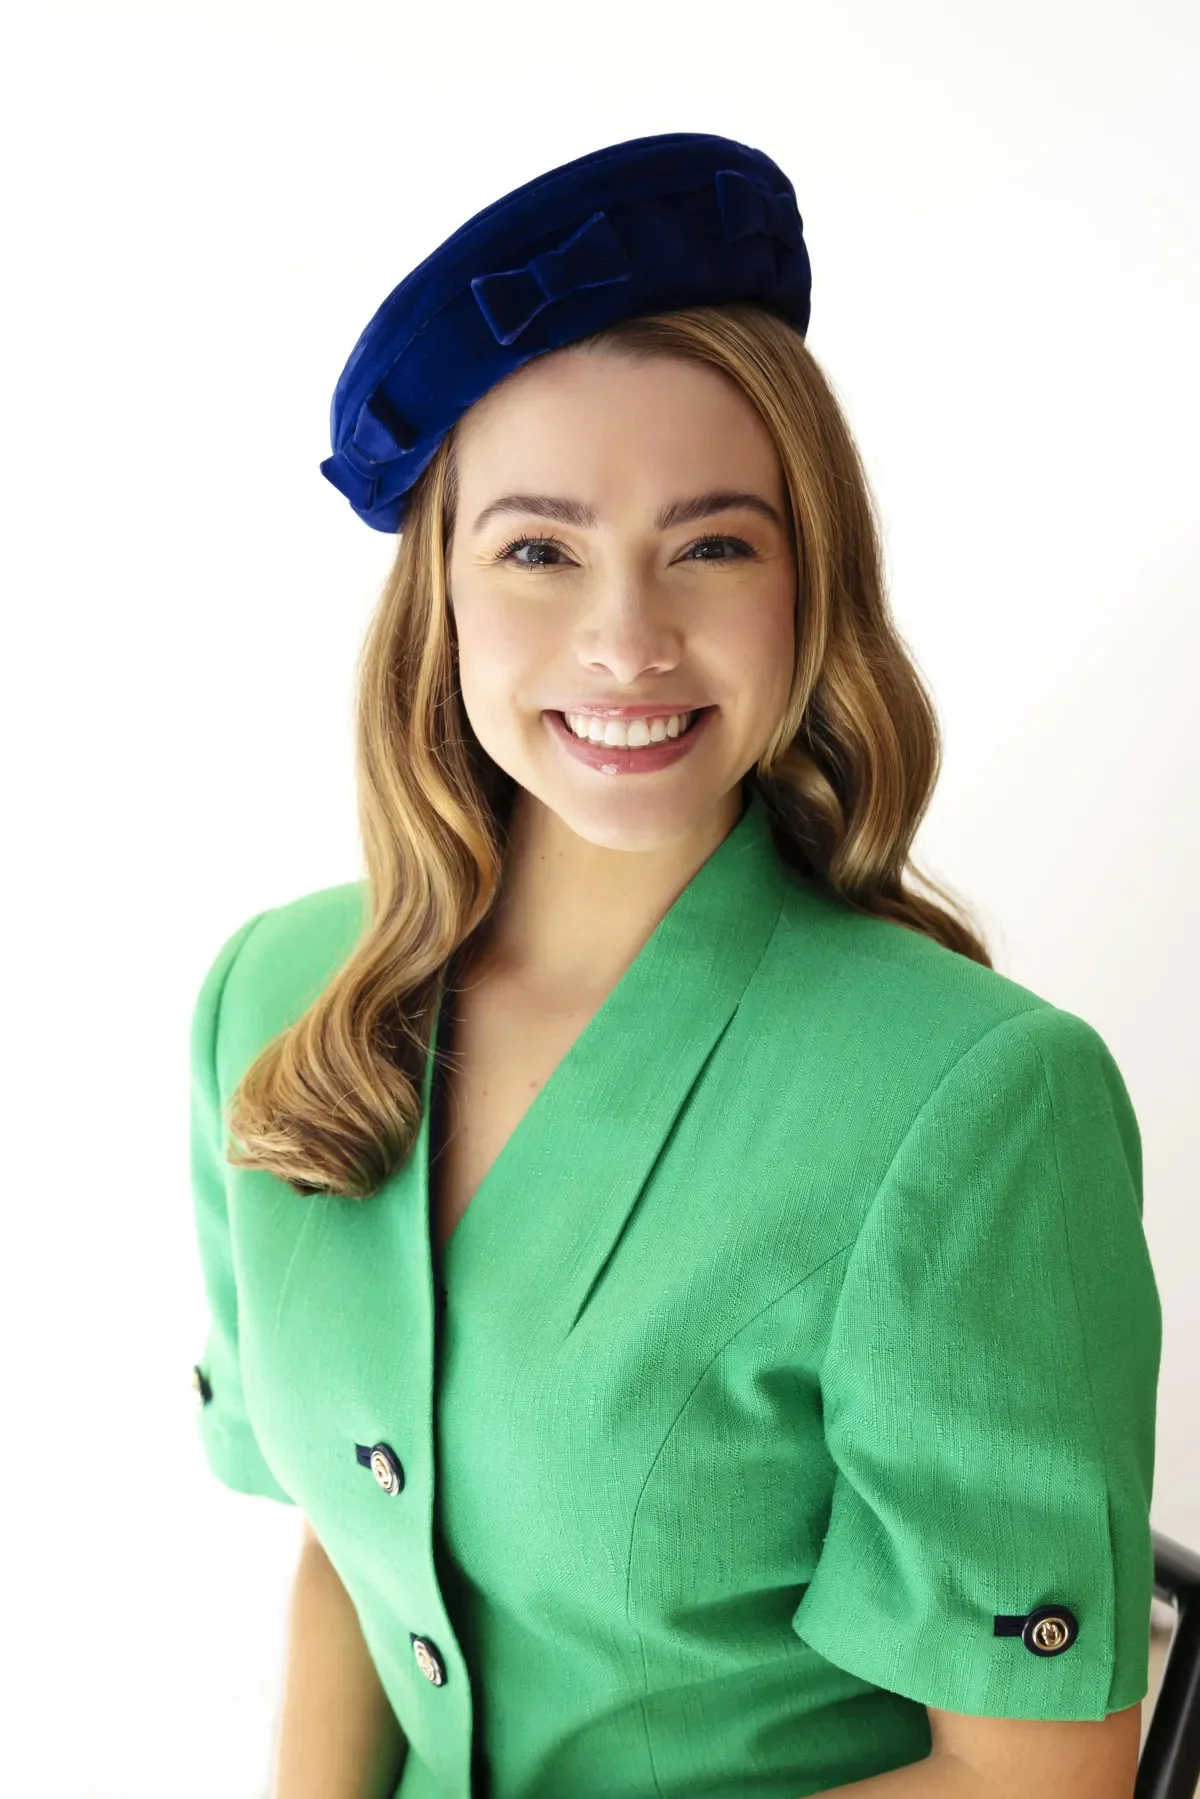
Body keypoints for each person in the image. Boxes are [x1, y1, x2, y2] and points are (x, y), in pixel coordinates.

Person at [188, 131, 1161, 1799]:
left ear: (811, 582)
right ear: (439, 595)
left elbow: (1035, 1788)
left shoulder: (981, 1101)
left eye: (713, 544)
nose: (626, 640)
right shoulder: (274, 997)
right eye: (538, 549)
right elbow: (355, 1552)